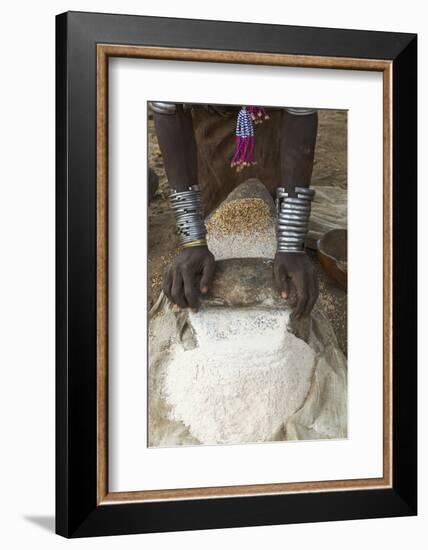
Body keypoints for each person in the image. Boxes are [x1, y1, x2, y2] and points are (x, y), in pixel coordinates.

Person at [150, 102, 319, 319]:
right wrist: (192, 241)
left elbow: (301, 108)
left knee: (269, 210)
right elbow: (167, 108)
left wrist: (291, 243)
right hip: (210, 113)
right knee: (214, 208)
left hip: (266, 113)